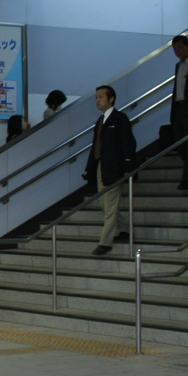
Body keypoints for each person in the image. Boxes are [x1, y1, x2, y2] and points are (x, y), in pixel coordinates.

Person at [82, 85, 137, 256]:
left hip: (115, 167)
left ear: (111, 99)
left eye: (101, 97)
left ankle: (105, 242)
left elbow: (128, 143)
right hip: (102, 166)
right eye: (97, 97)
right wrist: (89, 168)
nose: (98, 100)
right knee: (104, 204)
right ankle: (125, 229)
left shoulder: (120, 118)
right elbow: (96, 147)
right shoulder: (100, 121)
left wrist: (128, 166)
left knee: (110, 205)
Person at [171, 35, 188, 191]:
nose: (177, 51)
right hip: (178, 108)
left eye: (180, 47)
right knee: (179, 143)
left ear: (187, 46)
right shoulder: (178, 66)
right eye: (174, 49)